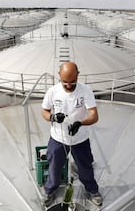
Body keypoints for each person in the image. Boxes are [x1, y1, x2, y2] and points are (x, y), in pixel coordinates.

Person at [41, 61, 102, 207]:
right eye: (65, 82)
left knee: (85, 166)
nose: (69, 85)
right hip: (58, 138)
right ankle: (50, 191)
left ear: (78, 75)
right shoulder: (53, 92)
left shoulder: (85, 91)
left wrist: (80, 123)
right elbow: (44, 111)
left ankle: (92, 190)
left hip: (80, 138)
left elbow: (94, 115)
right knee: (54, 166)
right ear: (59, 76)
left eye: (73, 82)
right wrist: (53, 117)